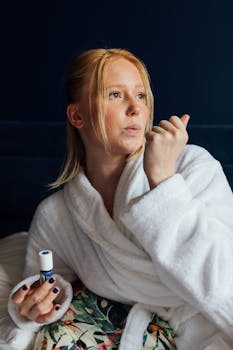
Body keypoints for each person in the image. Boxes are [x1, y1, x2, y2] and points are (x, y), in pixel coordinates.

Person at [7, 48, 233, 350]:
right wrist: (33, 308)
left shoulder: (191, 165)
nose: (135, 109)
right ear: (77, 115)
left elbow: (224, 282)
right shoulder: (58, 215)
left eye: (140, 95)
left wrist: (163, 182)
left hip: (210, 329)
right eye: (115, 95)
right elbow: (45, 289)